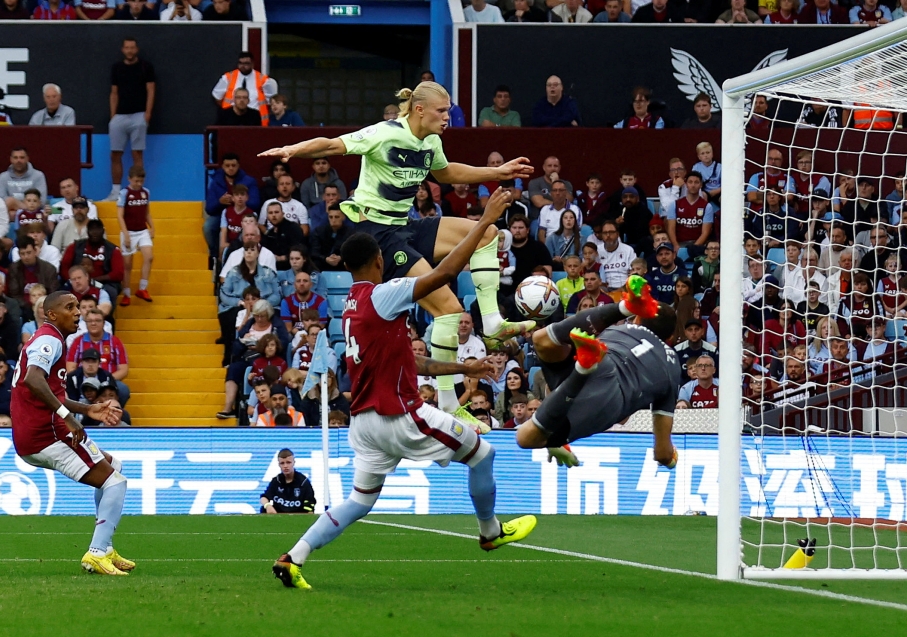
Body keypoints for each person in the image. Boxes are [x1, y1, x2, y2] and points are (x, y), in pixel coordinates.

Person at [271, 190, 536, 590]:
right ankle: (489, 532)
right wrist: (484, 223)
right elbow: (444, 275)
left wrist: (461, 367)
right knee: (484, 455)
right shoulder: (385, 293)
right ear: (379, 261)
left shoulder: (351, 306)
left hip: (364, 424)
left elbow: (411, 363)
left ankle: (294, 558)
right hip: (400, 416)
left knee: (359, 501)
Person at [259, 82, 534, 416]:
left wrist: (498, 172)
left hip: (404, 224)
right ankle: (449, 405)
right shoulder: (384, 133)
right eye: (442, 110)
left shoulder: (431, 141)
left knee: (487, 233)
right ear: (419, 110)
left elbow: (445, 172)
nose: (448, 117)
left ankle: (491, 322)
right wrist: (294, 148)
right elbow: (332, 144)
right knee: (449, 308)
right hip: (377, 233)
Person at [9, 291, 129, 575]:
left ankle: (105, 547)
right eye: (70, 307)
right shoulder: (49, 339)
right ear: (51, 315)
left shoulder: (48, 338)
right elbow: (33, 379)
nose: (78, 312)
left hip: (33, 436)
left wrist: (85, 409)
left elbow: (44, 389)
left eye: (78, 306)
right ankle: (97, 552)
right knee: (116, 482)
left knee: (112, 467)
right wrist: (68, 418)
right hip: (46, 434)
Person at [513, 276, 680, 471]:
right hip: (611, 394)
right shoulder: (672, 365)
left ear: (638, 318)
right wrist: (671, 459)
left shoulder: (623, 328)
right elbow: (662, 452)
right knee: (525, 437)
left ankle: (624, 307)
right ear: (670, 338)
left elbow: (555, 386)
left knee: (542, 340)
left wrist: (553, 440)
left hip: (604, 357)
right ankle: (583, 370)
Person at [106, 38, 155, 201]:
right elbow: (114, 92)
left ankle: (137, 191)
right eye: (127, 47)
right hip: (119, 116)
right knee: (115, 154)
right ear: (122, 50)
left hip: (139, 115)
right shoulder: (116, 68)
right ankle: (115, 192)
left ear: (137, 49)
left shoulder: (145, 67)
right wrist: (113, 116)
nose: (129, 50)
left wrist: (147, 113)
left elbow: (151, 90)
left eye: (132, 47)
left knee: (137, 154)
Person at [115, 165, 154, 305]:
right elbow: (120, 215)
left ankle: (142, 288)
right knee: (127, 264)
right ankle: (126, 294)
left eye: (141, 181)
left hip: (142, 230)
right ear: (129, 179)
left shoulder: (146, 192)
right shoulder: (124, 193)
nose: (138, 184)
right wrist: (125, 235)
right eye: (136, 181)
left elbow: (147, 212)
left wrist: (152, 227)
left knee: (149, 257)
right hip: (129, 231)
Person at [212, 51, 277, 127]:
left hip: (254, 120)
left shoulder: (264, 80)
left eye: (246, 63)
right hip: (231, 119)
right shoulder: (228, 78)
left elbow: (272, 102)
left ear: (252, 64)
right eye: (240, 63)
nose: (243, 66)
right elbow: (217, 97)